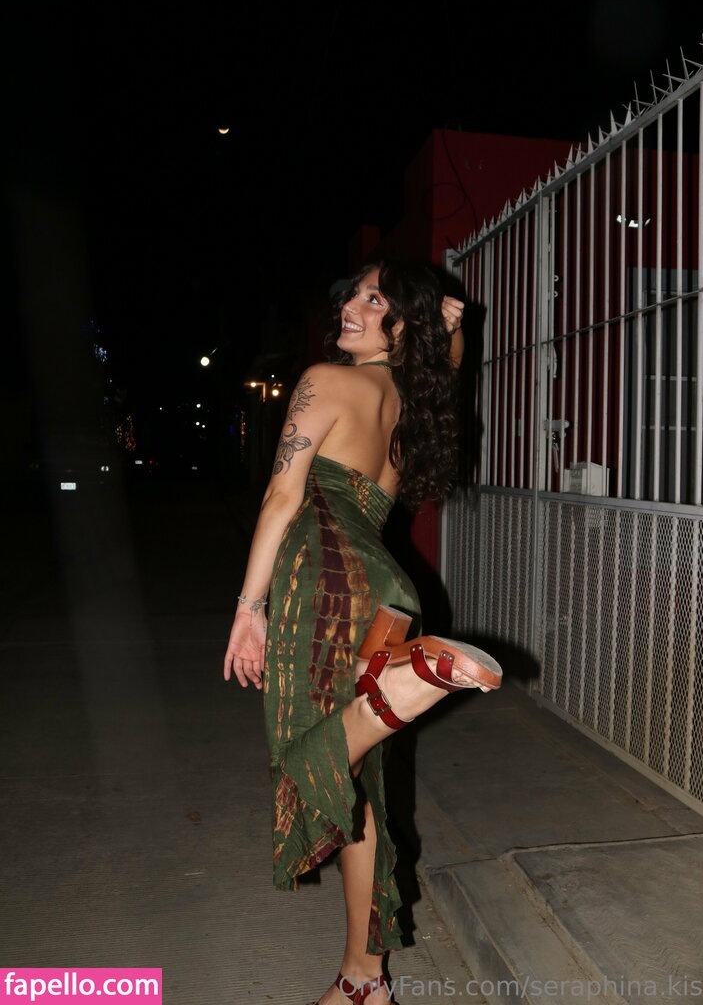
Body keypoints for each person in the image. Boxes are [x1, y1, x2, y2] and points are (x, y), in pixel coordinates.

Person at [223, 260, 502, 1005]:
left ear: (401, 325)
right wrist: (445, 327)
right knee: (360, 791)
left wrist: (250, 607)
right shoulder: (411, 401)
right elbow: (443, 362)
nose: (350, 305)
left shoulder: (325, 381)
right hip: (384, 588)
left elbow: (282, 495)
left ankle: (403, 688)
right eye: (351, 293)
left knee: (301, 764)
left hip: (321, 578)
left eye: (375, 300)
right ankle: (364, 979)